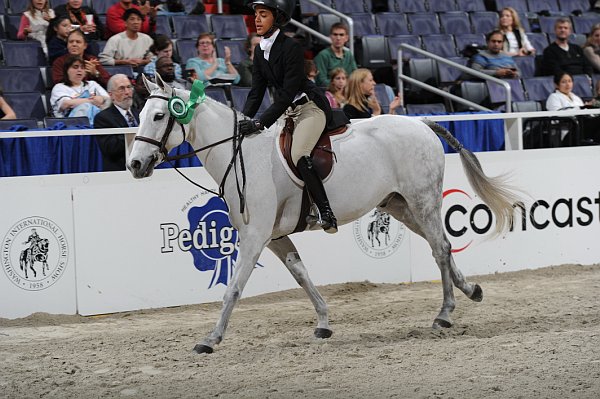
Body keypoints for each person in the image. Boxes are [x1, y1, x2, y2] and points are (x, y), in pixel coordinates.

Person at [238, 0, 338, 233]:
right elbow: (256, 92)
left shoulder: (291, 47)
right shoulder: (260, 51)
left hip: (309, 108)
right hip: (287, 112)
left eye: (263, 14)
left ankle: (326, 212)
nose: (257, 19)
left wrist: (261, 122)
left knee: (298, 153)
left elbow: (286, 94)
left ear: (277, 18)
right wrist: (241, 119)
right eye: (256, 15)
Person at [94, 74, 138, 171]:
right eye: (121, 89)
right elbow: (110, 149)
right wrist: (137, 135)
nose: (127, 92)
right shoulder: (103, 118)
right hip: (119, 170)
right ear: (111, 95)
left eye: (129, 87)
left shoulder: (141, 113)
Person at [50, 55, 110, 121]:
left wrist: (102, 98)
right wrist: (92, 101)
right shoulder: (60, 87)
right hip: (69, 124)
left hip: (97, 121)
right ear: (66, 70)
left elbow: (109, 101)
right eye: (75, 67)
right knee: (85, 107)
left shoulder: (92, 84)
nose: (79, 70)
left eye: (82, 67)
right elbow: (66, 104)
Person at [313, 22, 357, 87]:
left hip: (348, 91)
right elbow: (321, 81)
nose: (338, 38)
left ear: (346, 38)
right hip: (329, 93)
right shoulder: (322, 56)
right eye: (335, 34)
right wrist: (339, 85)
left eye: (341, 35)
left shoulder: (348, 54)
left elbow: (355, 75)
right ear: (330, 37)